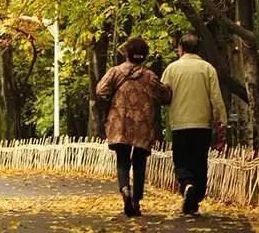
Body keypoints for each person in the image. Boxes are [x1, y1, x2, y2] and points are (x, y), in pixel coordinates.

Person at [97, 38, 173, 217]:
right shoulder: (150, 76)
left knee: (122, 160)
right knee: (139, 162)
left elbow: (101, 90)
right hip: (143, 125)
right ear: (144, 56)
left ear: (127, 53)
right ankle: (136, 201)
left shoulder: (115, 73)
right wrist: (168, 88)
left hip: (120, 123)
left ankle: (125, 189)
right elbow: (165, 96)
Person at [161, 32, 227, 215]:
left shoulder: (172, 69)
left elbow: (162, 93)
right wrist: (221, 120)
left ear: (181, 48)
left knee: (181, 161)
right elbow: (216, 97)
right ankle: (195, 199)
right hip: (202, 124)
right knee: (199, 162)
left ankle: (186, 184)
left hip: (180, 123)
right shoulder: (207, 69)